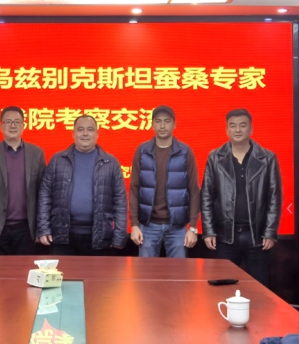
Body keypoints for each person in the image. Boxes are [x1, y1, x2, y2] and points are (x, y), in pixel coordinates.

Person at [201, 109, 282, 286]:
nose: (238, 130)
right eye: (233, 126)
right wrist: (209, 231)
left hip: (257, 237)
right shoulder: (215, 158)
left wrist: (270, 232)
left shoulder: (267, 158)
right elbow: (207, 196)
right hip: (225, 236)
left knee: (259, 288)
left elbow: (274, 198)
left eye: (242, 125)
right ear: (227, 130)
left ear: (251, 129)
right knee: (223, 288)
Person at [37, 115, 128, 256]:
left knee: (97, 272)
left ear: (97, 134)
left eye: (90, 129)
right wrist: (44, 229)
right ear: (73, 133)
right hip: (62, 236)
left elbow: (120, 201)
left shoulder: (111, 163)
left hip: (100, 238)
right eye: (80, 129)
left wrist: (119, 235)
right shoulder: (57, 160)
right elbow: (45, 196)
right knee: (63, 271)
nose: (85, 133)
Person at [129, 105, 200, 258]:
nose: (162, 126)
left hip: (177, 227)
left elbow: (194, 190)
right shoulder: (142, 151)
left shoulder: (185, 152)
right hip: (148, 226)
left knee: (178, 271)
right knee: (146, 271)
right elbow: (134, 189)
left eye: (167, 121)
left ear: (174, 124)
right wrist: (134, 224)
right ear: (152, 124)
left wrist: (193, 228)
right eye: (158, 121)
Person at [0, 106, 46, 255]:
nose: (13, 125)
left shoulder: (37, 153)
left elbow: (42, 194)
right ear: (1, 126)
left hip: (26, 228)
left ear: (23, 125)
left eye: (17, 122)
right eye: (8, 122)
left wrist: (41, 228)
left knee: (24, 269)